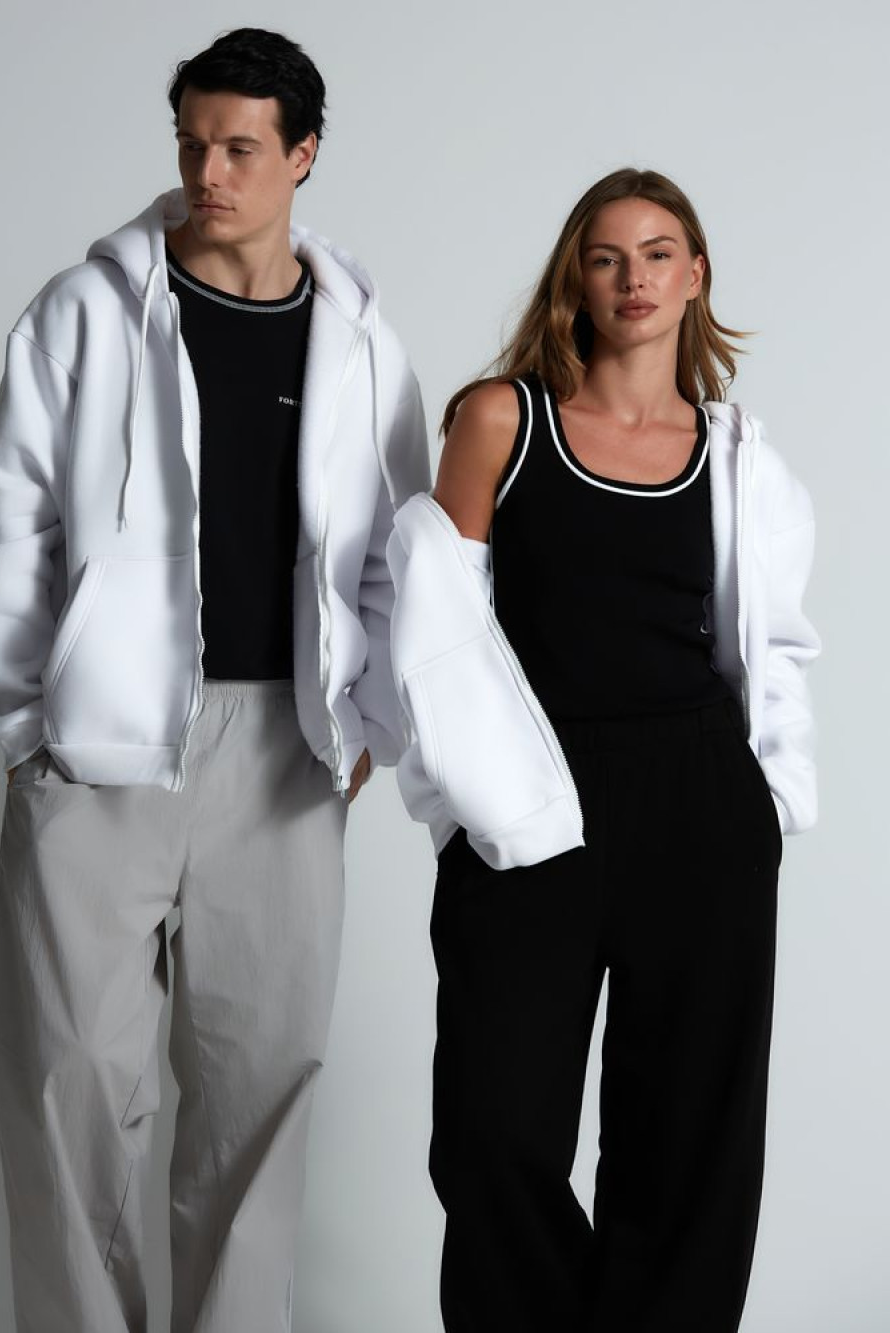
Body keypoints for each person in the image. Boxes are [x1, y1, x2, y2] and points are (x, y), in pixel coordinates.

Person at [0, 27, 428, 1333]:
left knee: (261, 1088)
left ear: (303, 155)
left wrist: (367, 718)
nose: (208, 173)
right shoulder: (86, 311)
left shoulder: (360, 344)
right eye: (192, 145)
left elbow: (391, 549)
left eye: (239, 148)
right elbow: (10, 520)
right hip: (97, 750)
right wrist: (28, 723)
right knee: (67, 1081)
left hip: (285, 751)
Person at [387, 167, 818, 1332]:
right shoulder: (501, 419)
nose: (635, 278)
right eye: (607, 256)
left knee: (687, 1144)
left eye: (659, 253)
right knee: (491, 1130)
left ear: (695, 275)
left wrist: (767, 798)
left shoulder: (733, 454)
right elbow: (432, 630)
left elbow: (773, 641)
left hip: (700, 803)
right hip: (530, 798)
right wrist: (473, 807)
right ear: (574, 277)